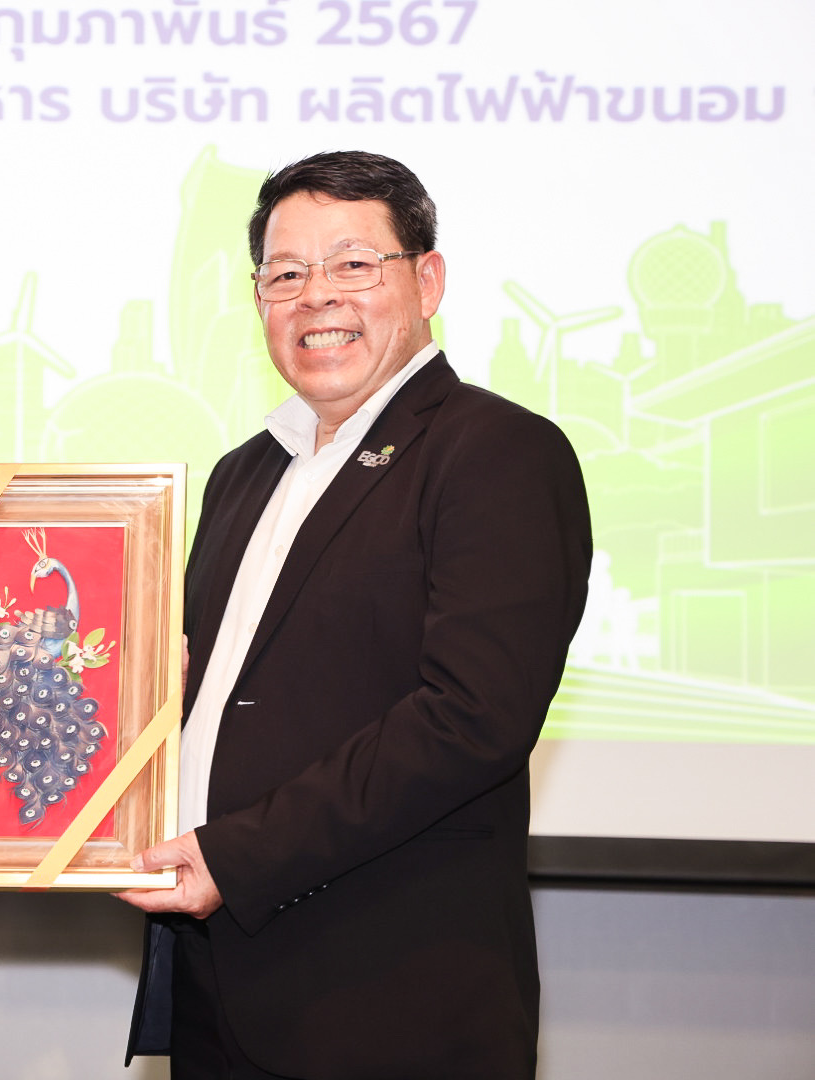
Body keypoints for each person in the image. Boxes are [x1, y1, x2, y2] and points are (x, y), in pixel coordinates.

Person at [117, 151, 592, 1079]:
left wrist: (238, 856)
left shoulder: (496, 452)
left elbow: (471, 719)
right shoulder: (242, 474)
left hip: (389, 999)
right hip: (220, 989)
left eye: (353, 264)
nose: (317, 296)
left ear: (428, 280)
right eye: (286, 274)